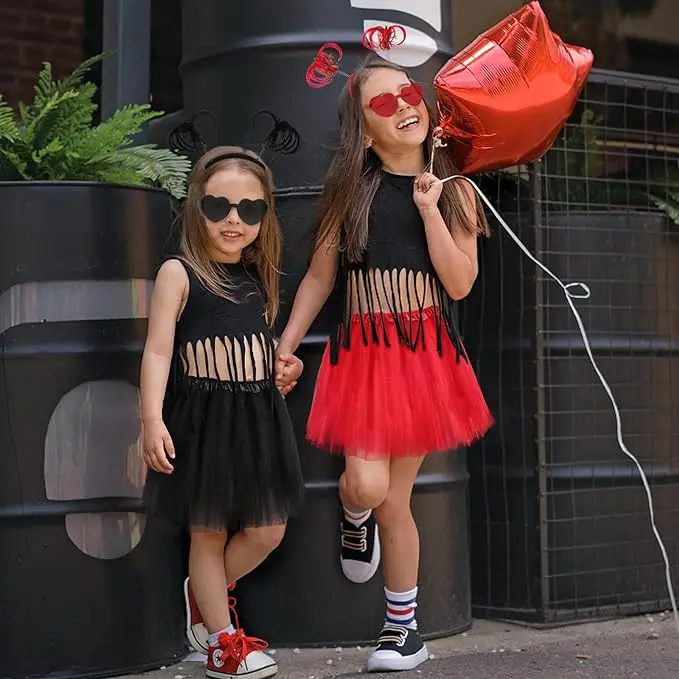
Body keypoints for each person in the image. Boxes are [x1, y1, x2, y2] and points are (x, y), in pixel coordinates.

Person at [274, 55, 494, 673]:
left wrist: (429, 210)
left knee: (397, 499)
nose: (403, 106)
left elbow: (459, 284)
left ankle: (403, 630)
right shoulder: (352, 191)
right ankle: (353, 512)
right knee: (368, 488)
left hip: (423, 358)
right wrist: (287, 344)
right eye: (382, 102)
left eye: (410, 92)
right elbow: (321, 275)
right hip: (364, 355)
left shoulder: (456, 191)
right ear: (363, 132)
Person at [141, 145, 305, 679]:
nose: (234, 220)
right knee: (207, 534)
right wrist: (151, 419)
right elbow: (159, 350)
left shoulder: (258, 279)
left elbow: (257, 347)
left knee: (269, 530)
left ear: (264, 215)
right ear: (197, 208)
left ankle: (203, 593)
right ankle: (221, 642)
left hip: (258, 420)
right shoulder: (179, 273)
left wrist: (283, 369)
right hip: (204, 422)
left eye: (249, 209)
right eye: (219, 207)